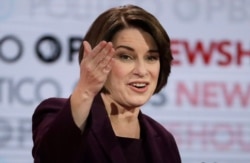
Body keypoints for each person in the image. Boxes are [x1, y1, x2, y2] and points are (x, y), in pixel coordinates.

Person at [32, 4, 181, 163]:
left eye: (151, 58)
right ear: (97, 59)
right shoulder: (56, 113)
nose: (142, 71)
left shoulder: (164, 140)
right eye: (126, 56)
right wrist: (86, 91)